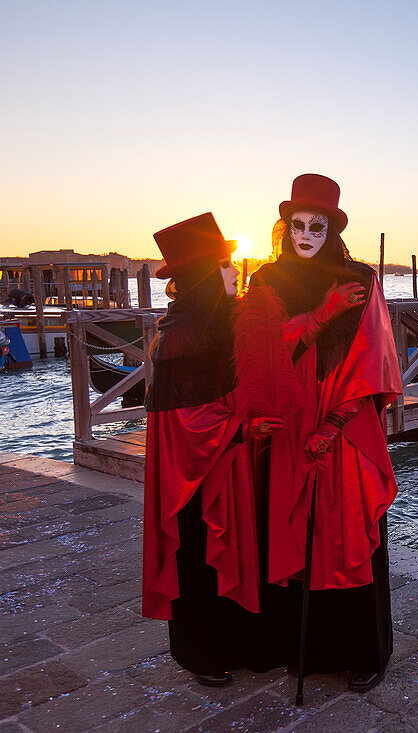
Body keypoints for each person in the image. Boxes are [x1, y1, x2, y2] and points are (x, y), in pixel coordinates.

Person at [247, 173, 401, 691]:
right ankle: (303, 650)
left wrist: (335, 421)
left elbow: (375, 353)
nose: (306, 234)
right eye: (298, 225)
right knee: (292, 530)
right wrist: (318, 315)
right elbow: (260, 349)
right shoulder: (265, 280)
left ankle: (363, 654)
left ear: (332, 228)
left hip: (346, 421)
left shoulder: (361, 277)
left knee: (347, 528)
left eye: (318, 225)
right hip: (289, 423)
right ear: (285, 227)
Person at [142, 212, 284, 686]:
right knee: (201, 559)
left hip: (234, 464)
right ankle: (204, 654)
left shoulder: (222, 322)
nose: (235, 272)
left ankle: (239, 645)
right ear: (204, 274)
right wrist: (243, 426)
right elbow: (182, 423)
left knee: (241, 553)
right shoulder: (180, 335)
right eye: (225, 266)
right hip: (200, 478)